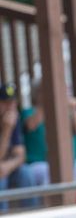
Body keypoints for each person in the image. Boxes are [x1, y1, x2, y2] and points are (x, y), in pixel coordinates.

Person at [21, 79, 76, 201]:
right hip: (39, 164)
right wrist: (48, 101)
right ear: (38, 93)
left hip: (70, 163)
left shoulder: (66, 111)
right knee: (50, 176)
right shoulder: (29, 112)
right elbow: (31, 125)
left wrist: (73, 109)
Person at [0, 83, 37, 211]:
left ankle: (32, 213)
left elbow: (21, 155)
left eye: (13, 102)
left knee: (26, 173)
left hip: (6, 168)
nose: (11, 107)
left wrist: (8, 165)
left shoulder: (14, 119)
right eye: (6, 102)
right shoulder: (8, 122)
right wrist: (6, 130)